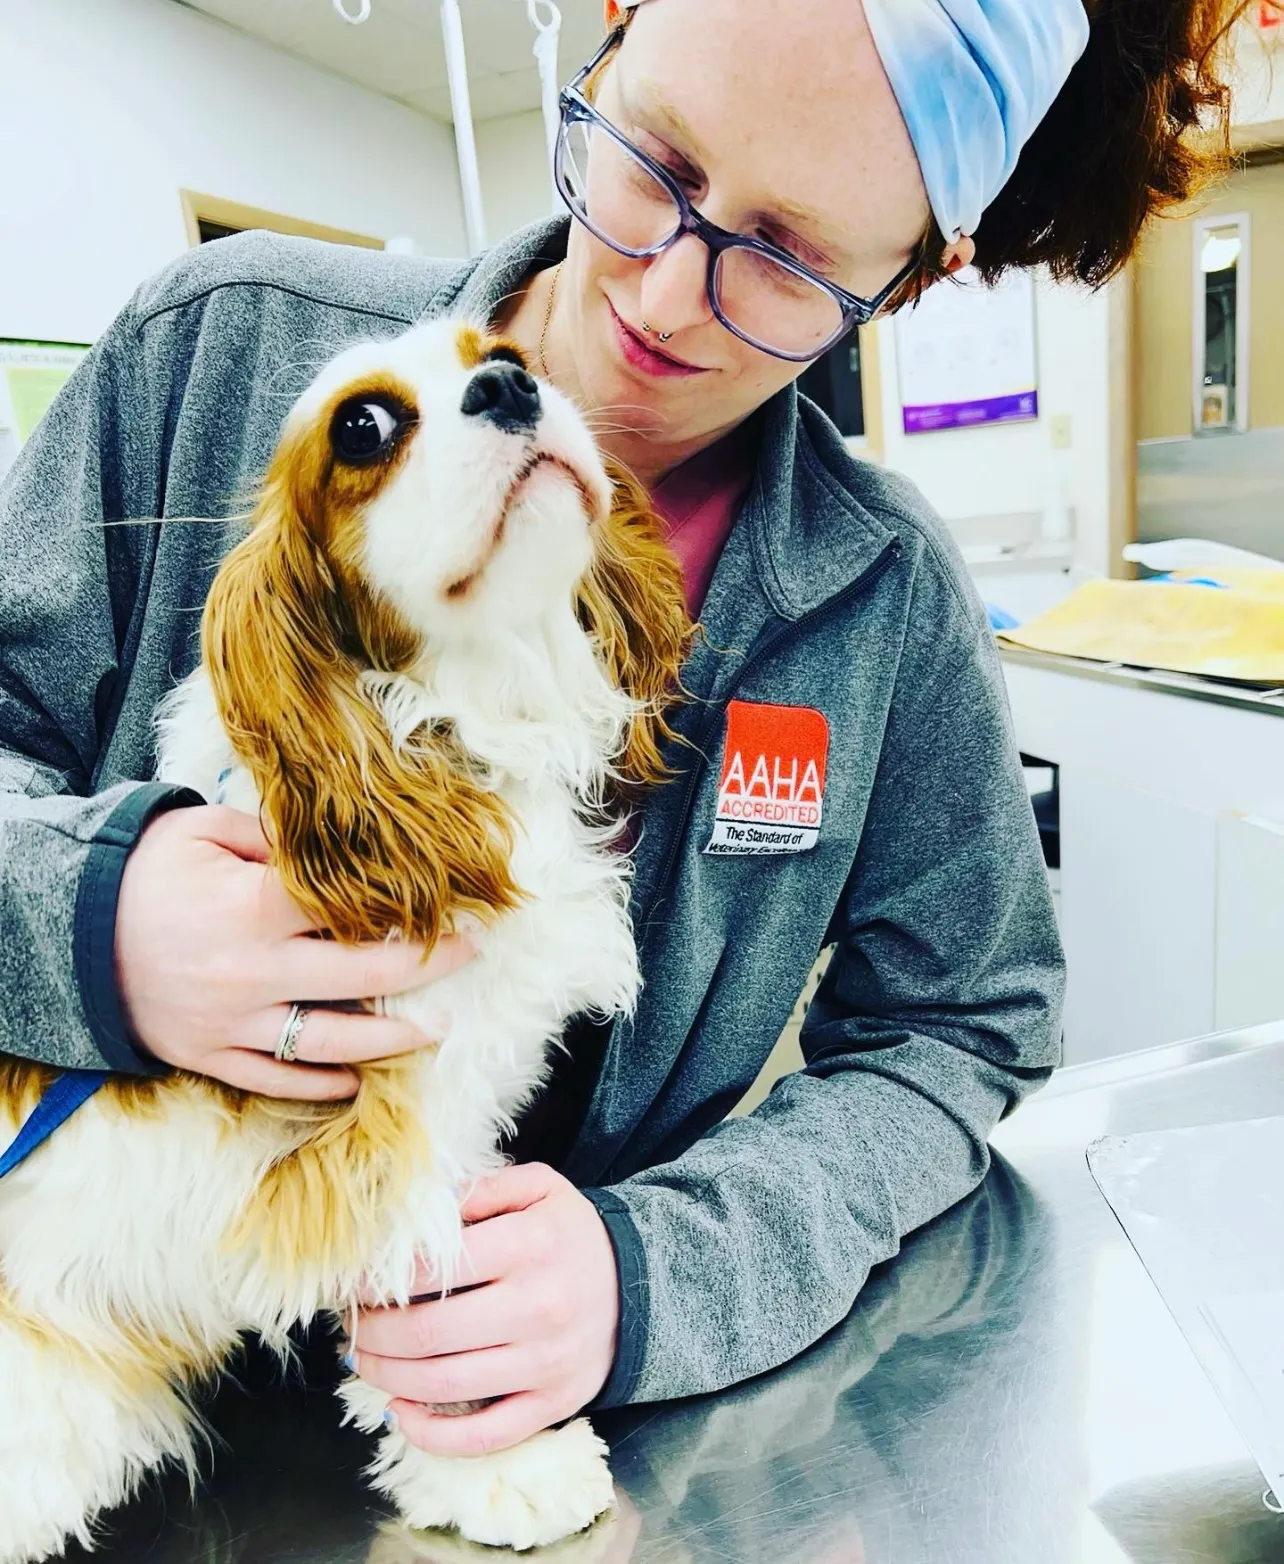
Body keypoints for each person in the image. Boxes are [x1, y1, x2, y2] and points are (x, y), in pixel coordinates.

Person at [0, 0, 1245, 1465]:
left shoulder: (881, 603)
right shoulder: (216, 359)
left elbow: (962, 1024)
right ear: (606, 27)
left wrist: (660, 1277)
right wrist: (78, 917)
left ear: (912, 276)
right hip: (73, 1357)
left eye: (787, 262)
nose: (659, 302)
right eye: (649, 162)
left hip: (546, 1449)